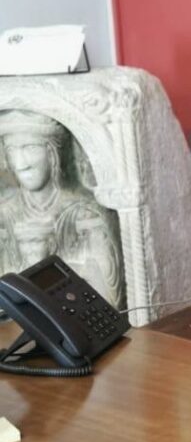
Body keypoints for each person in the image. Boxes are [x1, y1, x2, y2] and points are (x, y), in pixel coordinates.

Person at [0, 110, 123, 307]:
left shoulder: (83, 214)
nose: (21, 164)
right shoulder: (5, 216)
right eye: (12, 150)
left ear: (52, 154)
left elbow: (108, 300)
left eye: (31, 147)